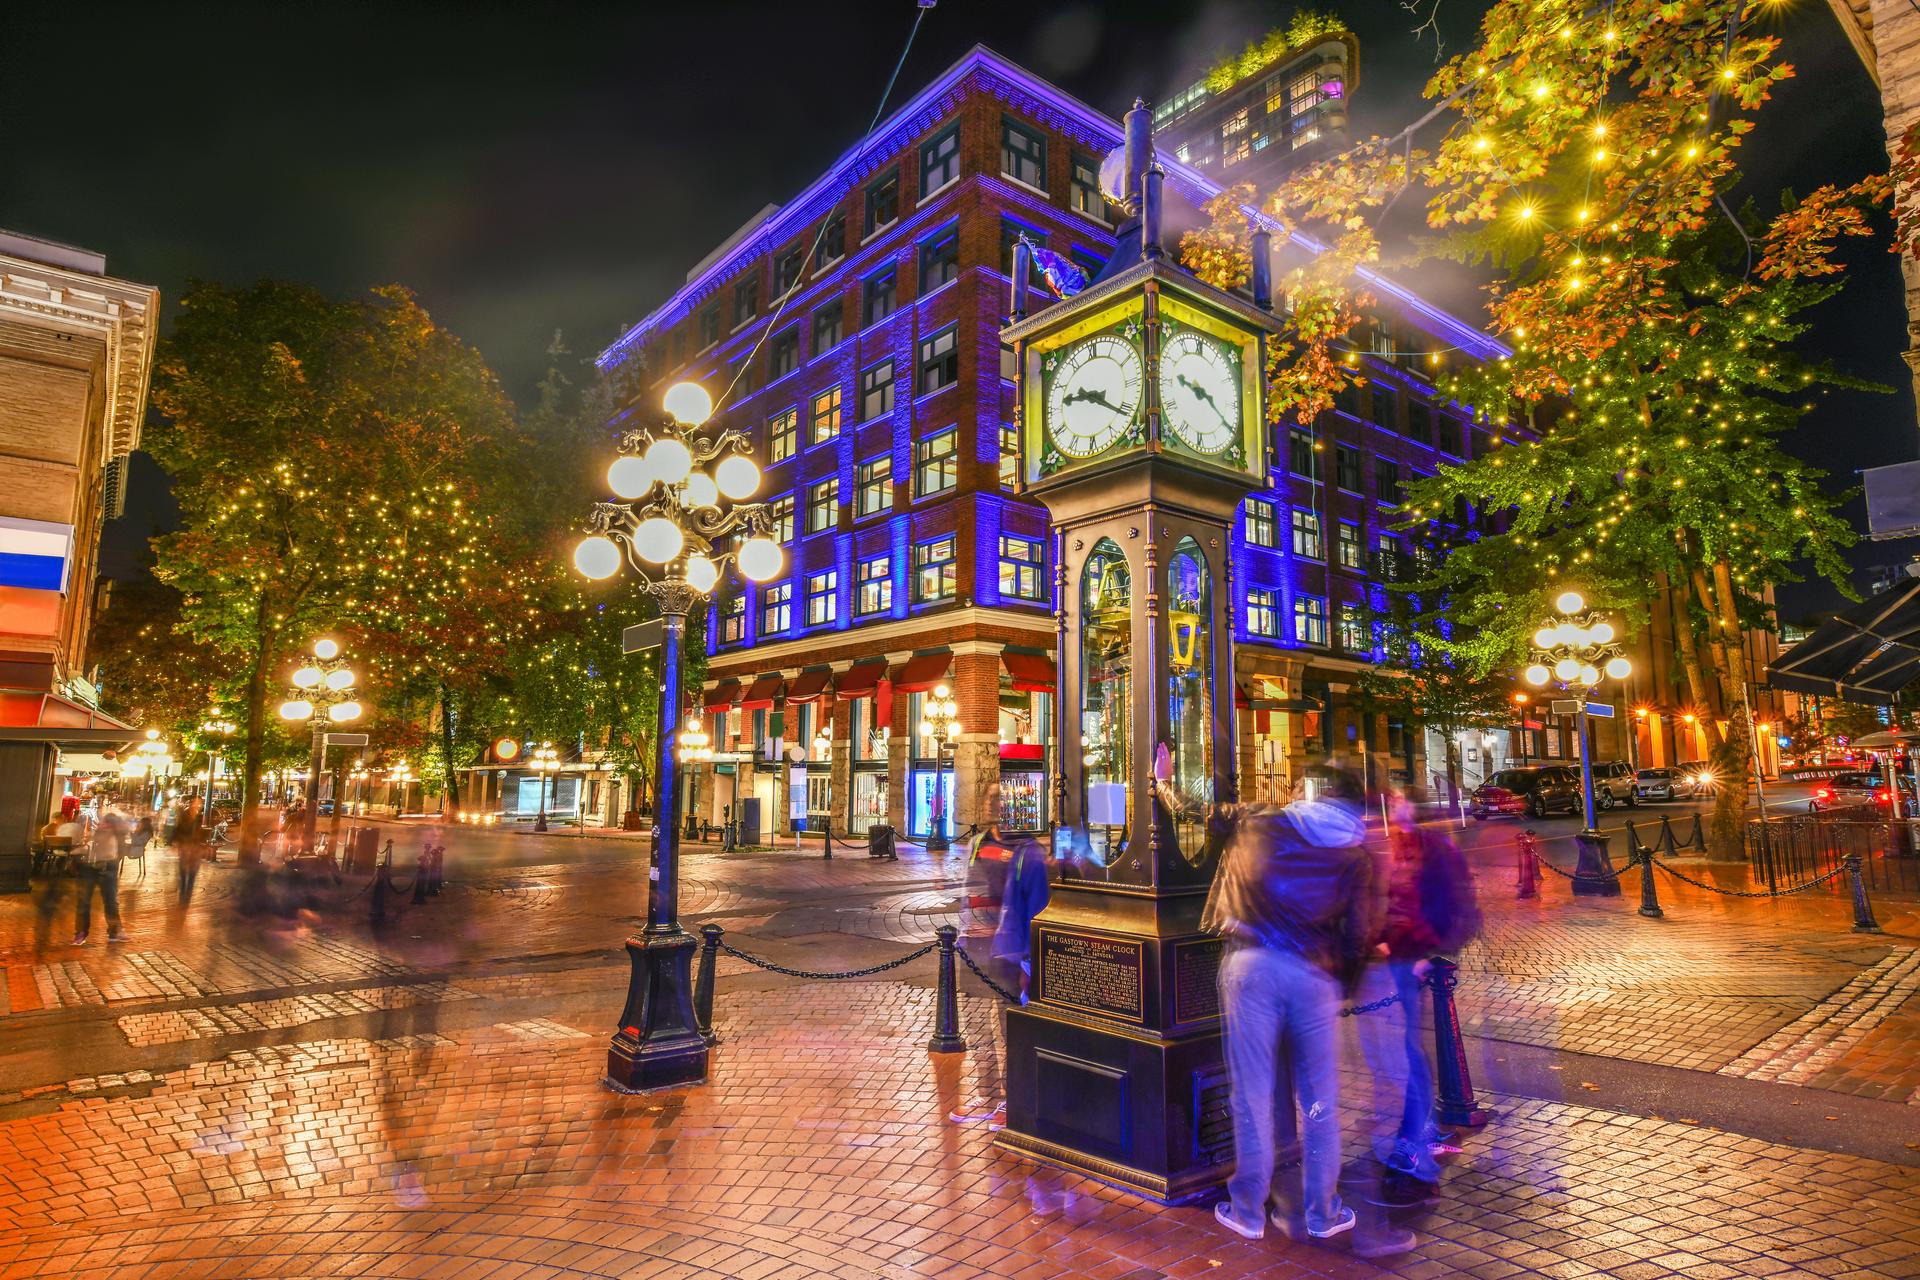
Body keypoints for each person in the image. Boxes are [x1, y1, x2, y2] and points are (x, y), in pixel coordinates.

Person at [1205, 764, 1376, 1243]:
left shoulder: (1259, 820)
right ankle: (1323, 1212)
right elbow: (1358, 935)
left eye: (1299, 786)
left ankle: (1247, 1211)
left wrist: (1163, 781)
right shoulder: (1355, 853)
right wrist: (1340, 986)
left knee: (1252, 1094)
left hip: (1252, 965)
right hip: (1314, 974)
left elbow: (1206, 814)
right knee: (1320, 1099)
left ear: (1309, 792)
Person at [1366, 790, 1481, 1196]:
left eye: (1398, 799)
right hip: (1396, 955)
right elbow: (1390, 899)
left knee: (1403, 1053)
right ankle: (1423, 1126)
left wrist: (1428, 950)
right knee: (1401, 1049)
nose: (1390, 803)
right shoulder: (1397, 843)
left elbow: (1451, 905)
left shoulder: (1432, 848)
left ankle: (1415, 1148)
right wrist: (1380, 937)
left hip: (1412, 957)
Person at [949, 780, 1051, 1132]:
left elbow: (1037, 911)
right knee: (978, 1030)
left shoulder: (1030, 853)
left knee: (1011, 1030)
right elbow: (968, 892)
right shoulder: (978, 843)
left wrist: (1028, 962)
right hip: (975, 951)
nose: (995, 804)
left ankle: (1012, 1099)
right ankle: (988, 1095)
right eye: (991, 797)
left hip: (1008, 953)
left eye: (1002, 798)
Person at [74, 803, 131, 944]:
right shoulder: (94, 830)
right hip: (90, 867)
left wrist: (114, 823)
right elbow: (84, 843)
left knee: (110, 901)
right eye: (104, 822)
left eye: (108, 823)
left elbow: (125, 829)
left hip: (108, 866)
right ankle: (81, 932)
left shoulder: (116, 833)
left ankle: (115, 931)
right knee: (85, 901)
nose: (104, 825)